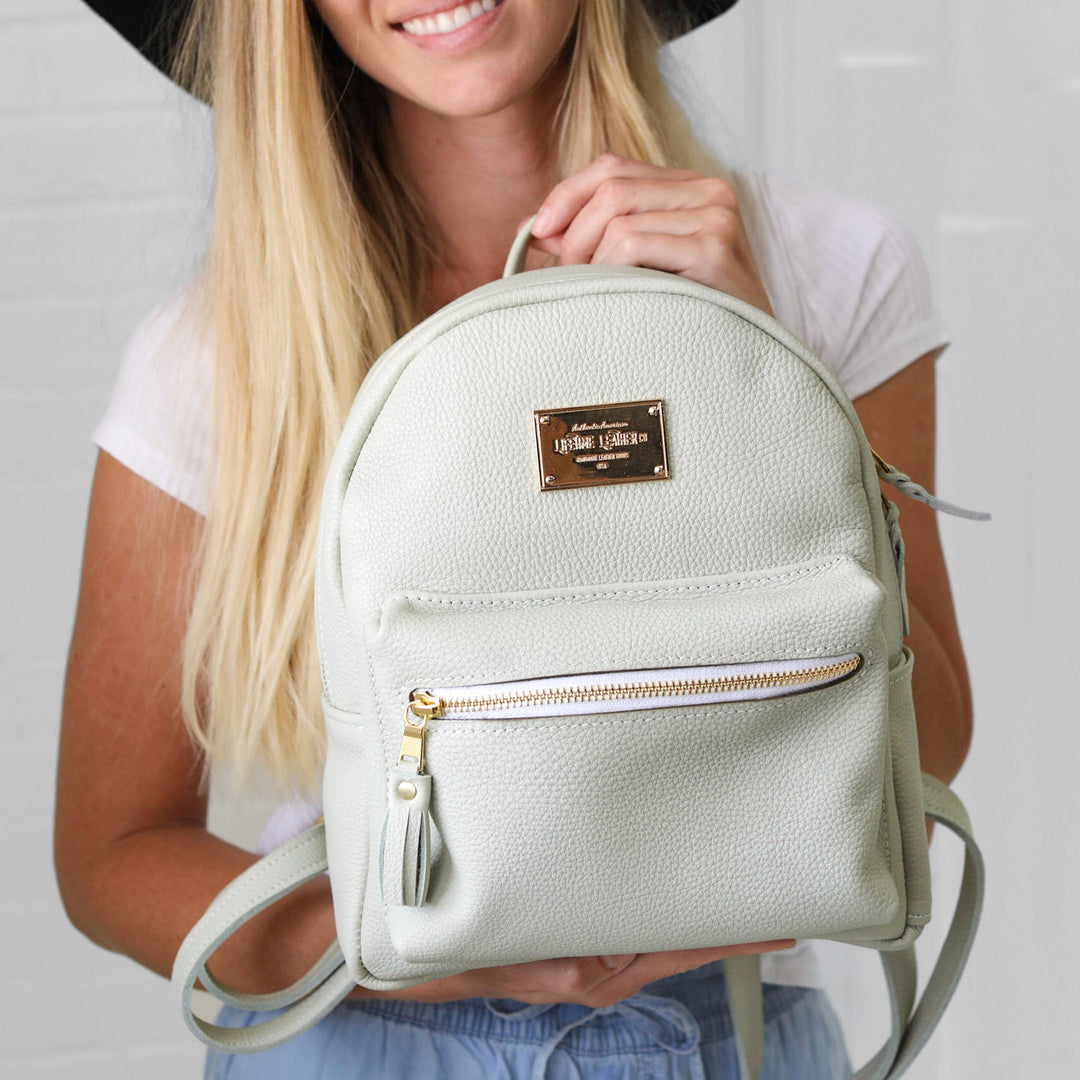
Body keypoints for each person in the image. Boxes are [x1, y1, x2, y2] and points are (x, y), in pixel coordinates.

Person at [55, 1, 974, 1077]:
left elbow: (931, 744)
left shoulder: (822, 266)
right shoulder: (219, 357)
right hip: (359, 1039)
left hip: (740, 1036)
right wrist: (416, 949)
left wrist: (758, 367)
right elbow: (111, 858)